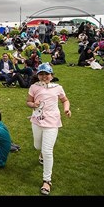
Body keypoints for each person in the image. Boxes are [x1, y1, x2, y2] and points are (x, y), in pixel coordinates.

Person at [26, 62, 71, 195]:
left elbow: (65, 100)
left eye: (47, 74)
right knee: (37, 146)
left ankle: (47, 181)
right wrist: (33, 103)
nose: (44, 76)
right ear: (38, 75)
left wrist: (66, 109)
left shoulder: (58, 87)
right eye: (41, 74)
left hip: (52, 122)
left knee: (47, 151)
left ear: (52, 75)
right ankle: (41, 153)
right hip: (37, 121)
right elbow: (28, 102)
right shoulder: (34, 87)